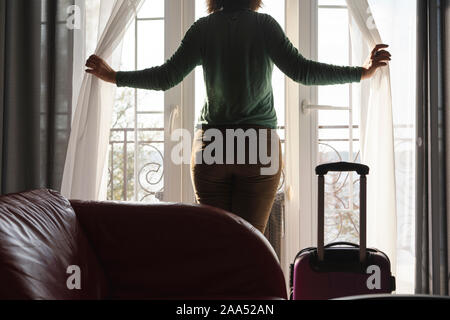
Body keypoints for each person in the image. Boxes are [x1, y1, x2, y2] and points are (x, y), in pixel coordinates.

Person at [85, 0, 391, 233]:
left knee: (218, 241)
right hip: (258, 147)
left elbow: (167, 76)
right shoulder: (265, 25)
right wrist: (362, 72)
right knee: (249, 244)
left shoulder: (203, 29)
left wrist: (114, 77)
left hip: (212, 146)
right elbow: (302, 70)